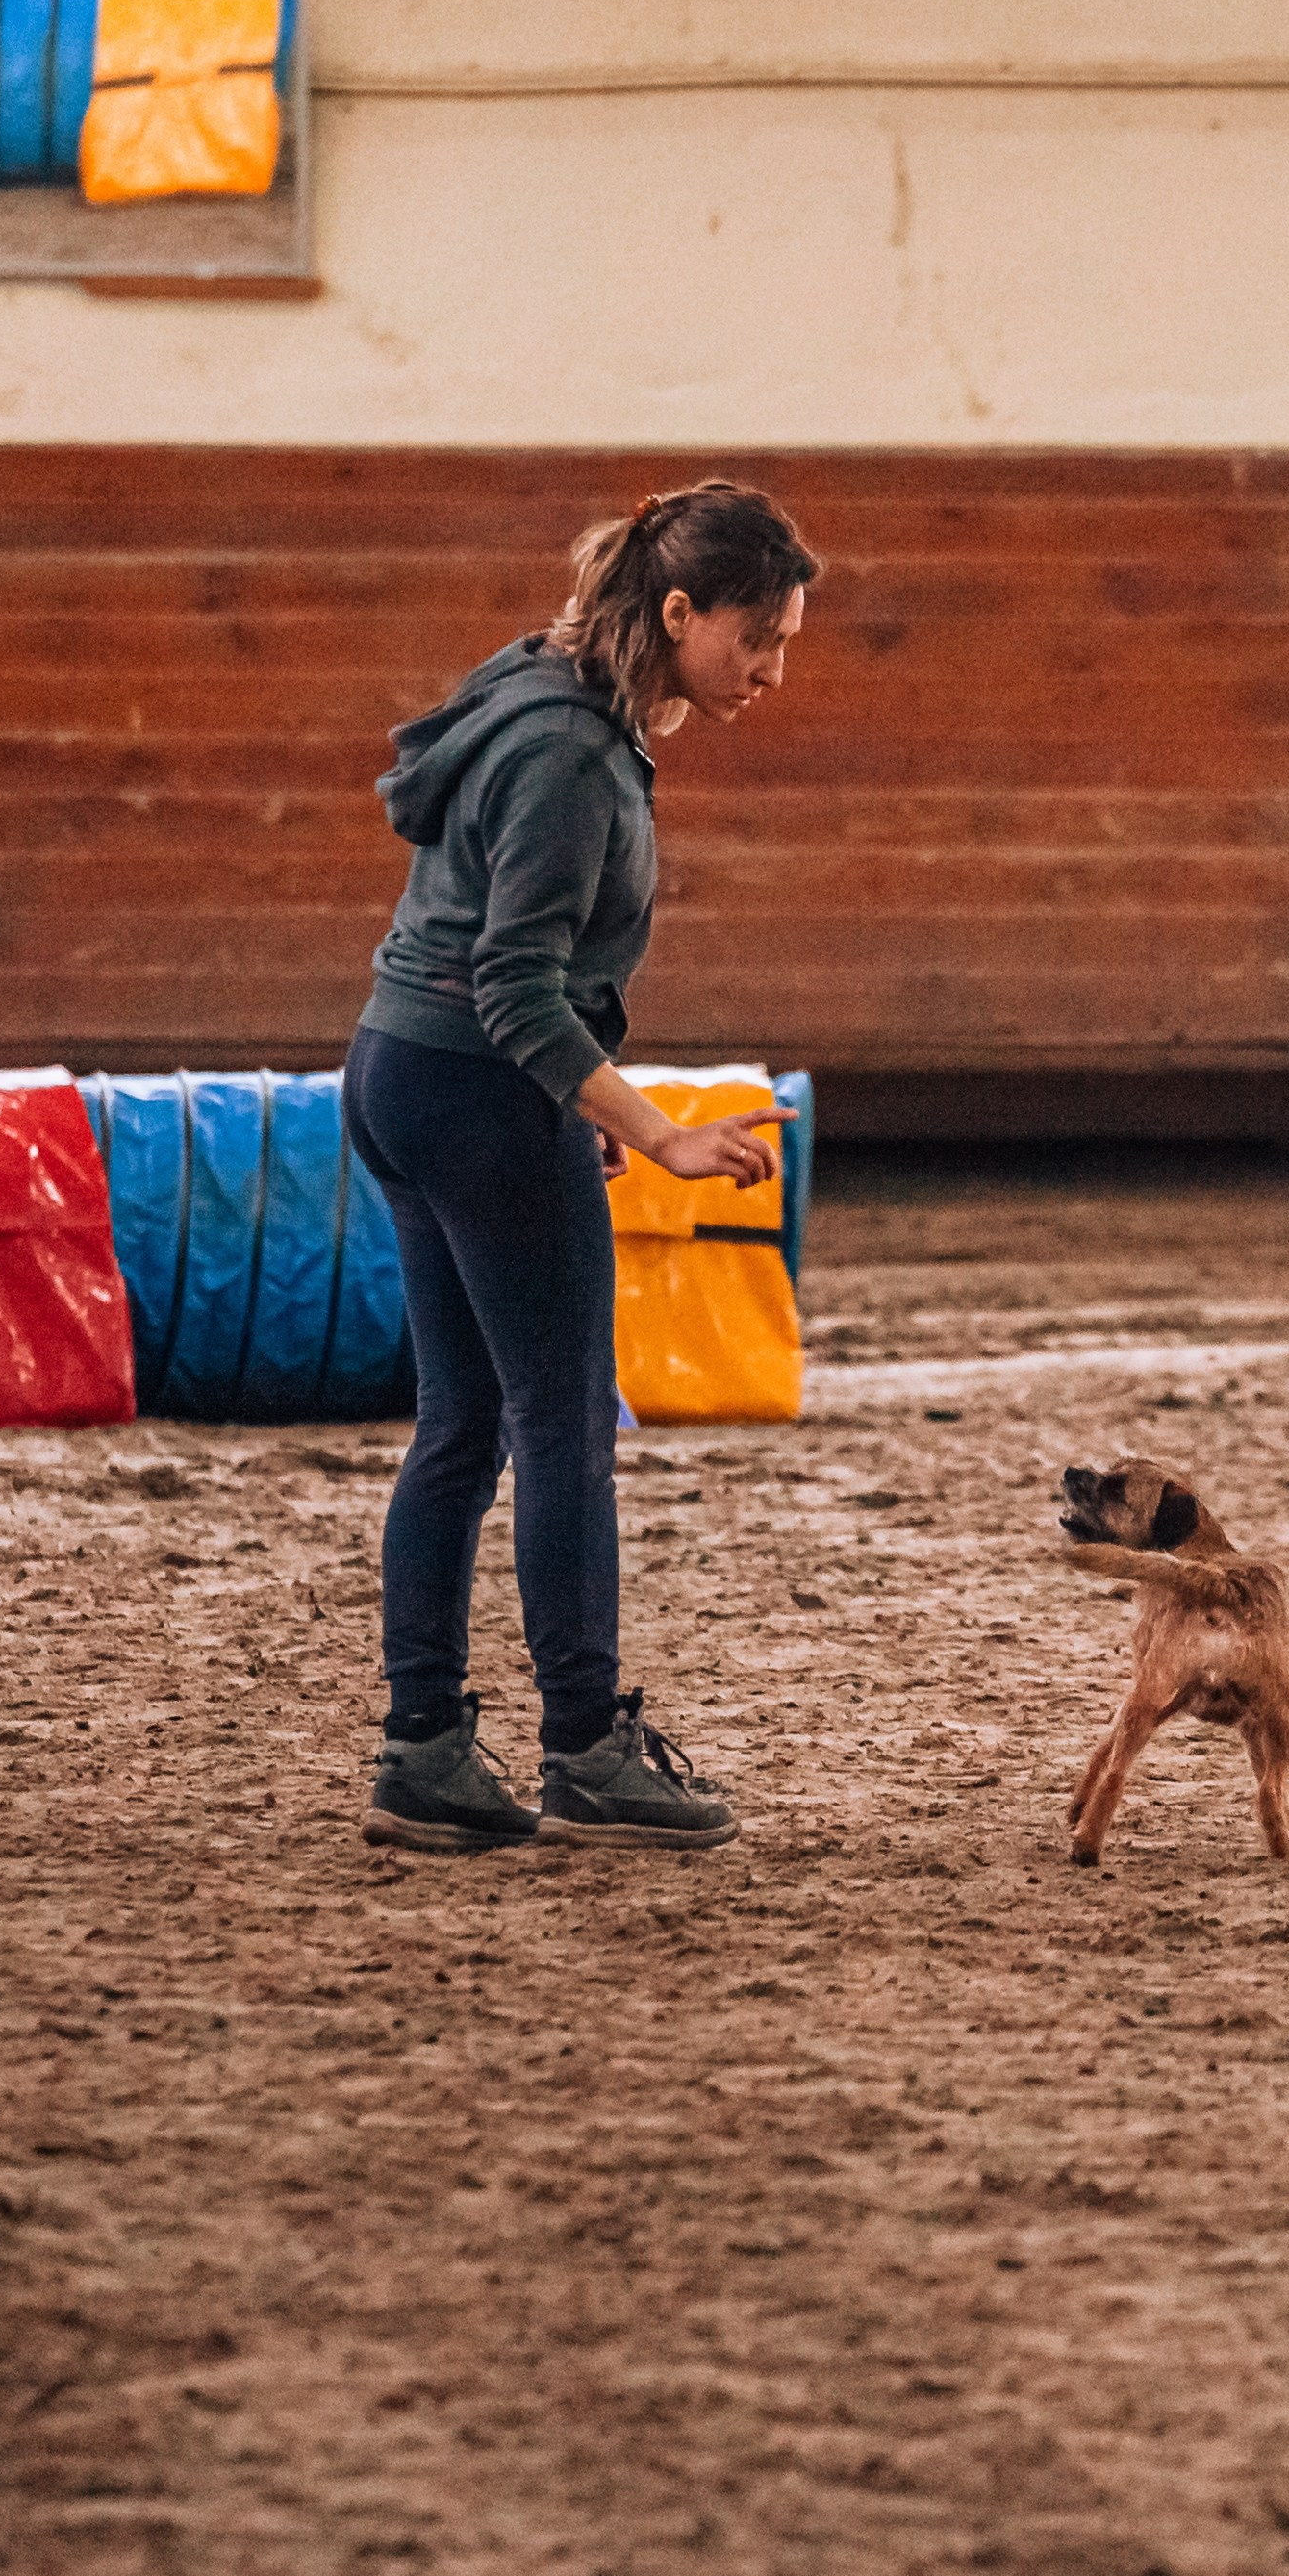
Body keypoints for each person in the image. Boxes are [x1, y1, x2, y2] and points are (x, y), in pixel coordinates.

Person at [341, 478, 819, 1856]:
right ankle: (588, 1749)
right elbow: (515, 983)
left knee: (462, 1425)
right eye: (756, 641)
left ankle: (424, 1749)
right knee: (561, 1424)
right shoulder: (566, 750)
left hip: (401, 1074)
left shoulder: (542, 684)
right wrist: (655, 1126)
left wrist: (580, 1101)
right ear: (678, 613)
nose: (771, 672)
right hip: (477, 1092)